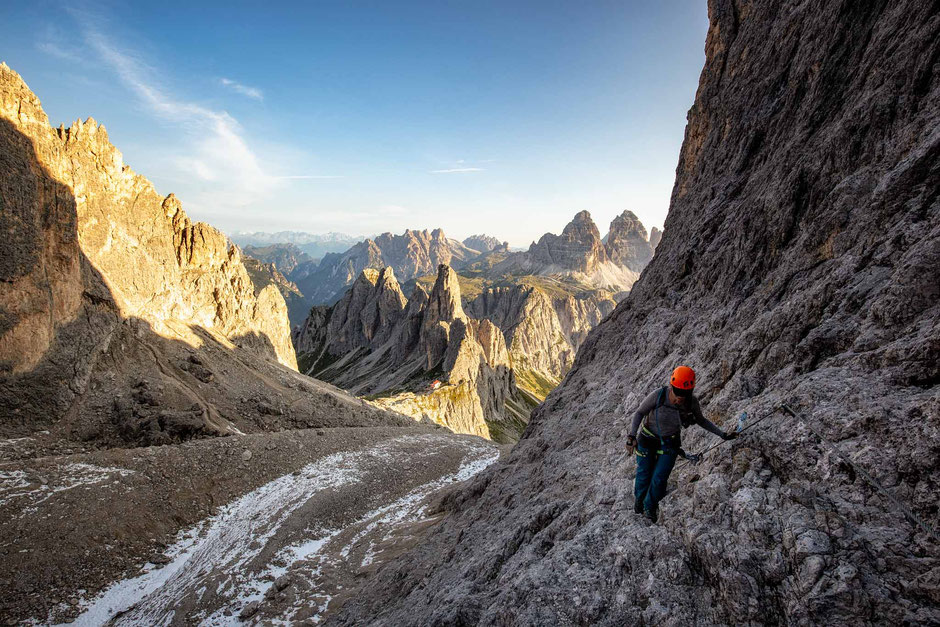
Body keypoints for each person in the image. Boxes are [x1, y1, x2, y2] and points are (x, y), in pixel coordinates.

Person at [625, 365, 737, 523]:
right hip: (647, 439)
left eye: (684, 395)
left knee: (659, 477)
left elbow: (702, 421)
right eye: (677, 393)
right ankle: (639, 501)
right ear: (671, 387)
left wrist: (722, 434)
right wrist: (631, 436)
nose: (679, 399)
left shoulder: (691, 403)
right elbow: (639, 412)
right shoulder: (658, 396)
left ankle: (649, 506)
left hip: (669, 443)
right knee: (644, 474)